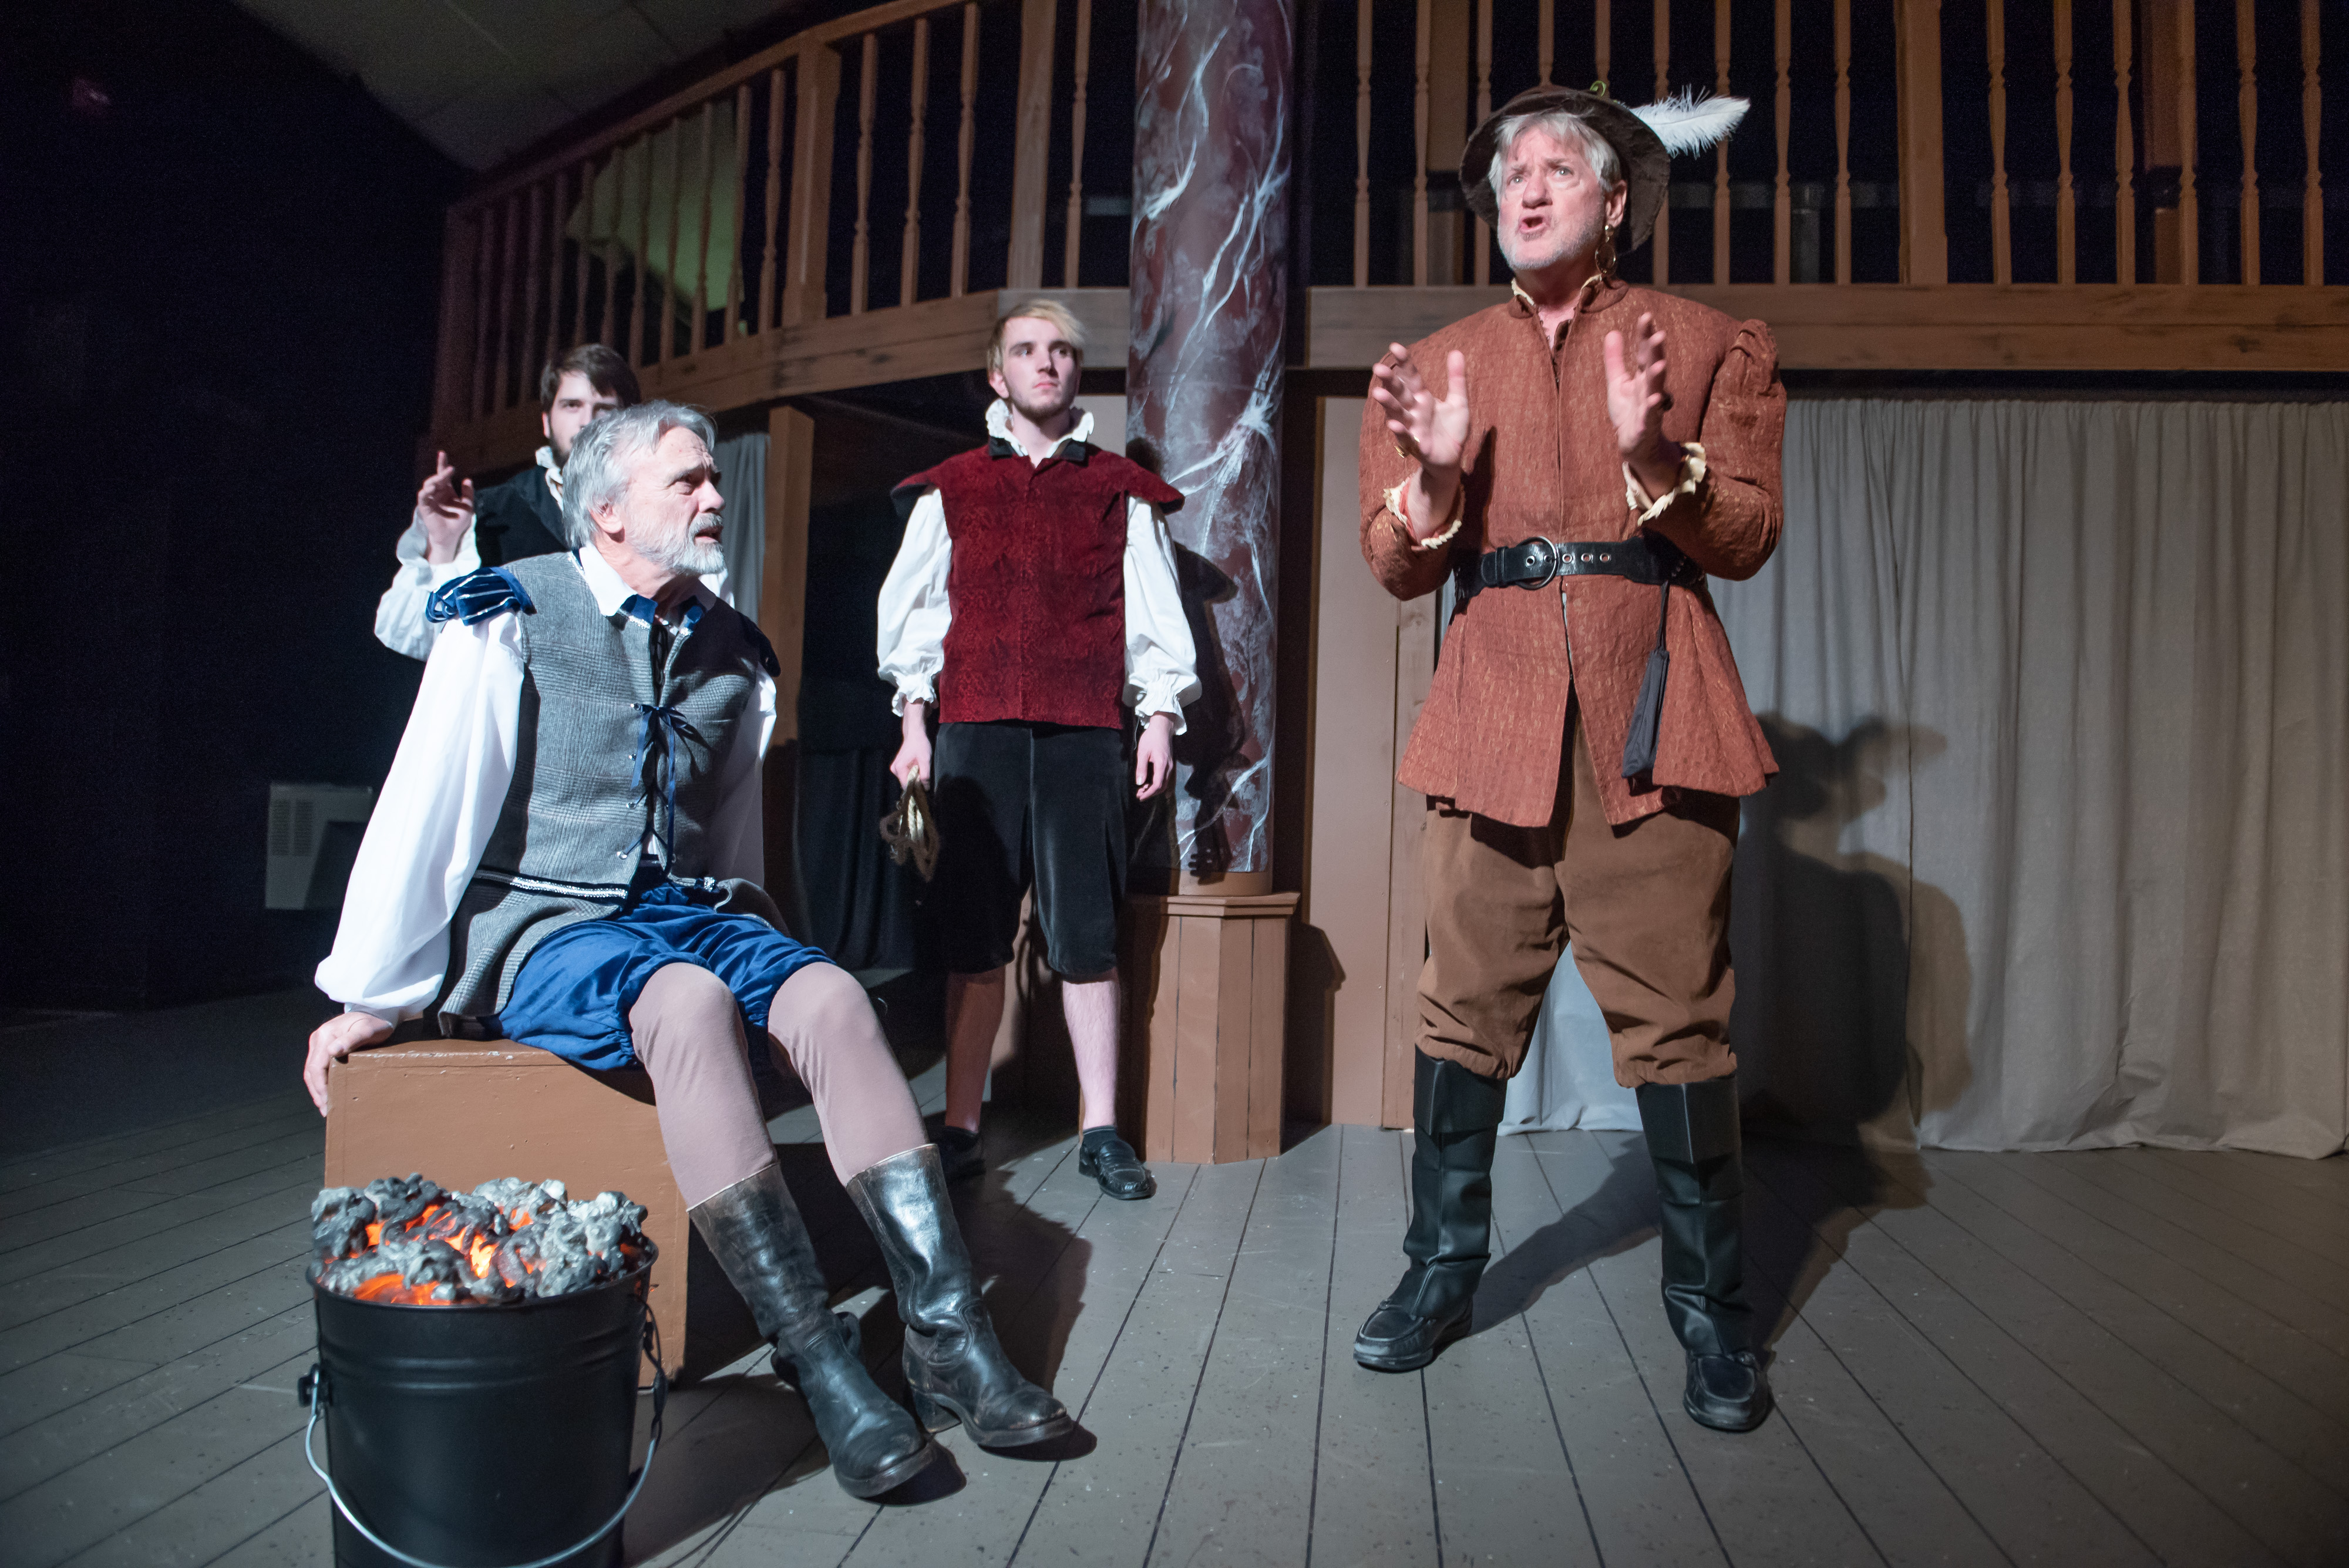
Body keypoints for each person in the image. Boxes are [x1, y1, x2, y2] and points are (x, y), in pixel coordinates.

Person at [307, 401, 1070, 1499]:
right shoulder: (512, 610)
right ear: (609, 511)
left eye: (714, 479)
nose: (715, 498)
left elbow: (724, 839)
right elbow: (434, 804)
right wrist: (373, 993)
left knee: (832, 998)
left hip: (680, 910)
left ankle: (949, 1339)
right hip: (546, 923)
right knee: (684, 1000)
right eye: (689, 481)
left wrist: (757, 950)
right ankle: (817, 1359)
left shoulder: (732, 648)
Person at [1352, 85, 1783, 1435]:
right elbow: (1392, 562)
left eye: (1552, 170)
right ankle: (1437, 1272)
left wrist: (1654, 453)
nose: (1523, 191)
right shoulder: (1438, 363)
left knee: (1678, 1022)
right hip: (1488, 722)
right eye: (1505, 177)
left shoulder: (1706, 344)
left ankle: (1710, 1312)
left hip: (1652, 721)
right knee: (1459, 1010)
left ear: (1614, 199)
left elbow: (1747, 535)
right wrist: (1432, 481)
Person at [876, 300, 1198, 1201]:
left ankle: (1102, 1131)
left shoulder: (1120, 488)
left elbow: (1154, 612)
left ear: (1075, 371)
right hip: (975, 729)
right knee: (975, 937)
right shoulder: (951, 487)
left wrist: (1158, 717)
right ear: (998, 373)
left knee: (1087, 938)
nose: (1045, 362)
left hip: (1083, 734)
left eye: (1060, 350)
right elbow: (915, 619)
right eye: (1026, 349)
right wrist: (915, 726)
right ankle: (960, 1126)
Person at [372, 344, 643, 659]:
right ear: (546, 422)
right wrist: (444, 547)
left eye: (605, 409)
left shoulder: (653, 513)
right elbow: (417, 636)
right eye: (572, 405)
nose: (587, 421)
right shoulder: (492, 511)